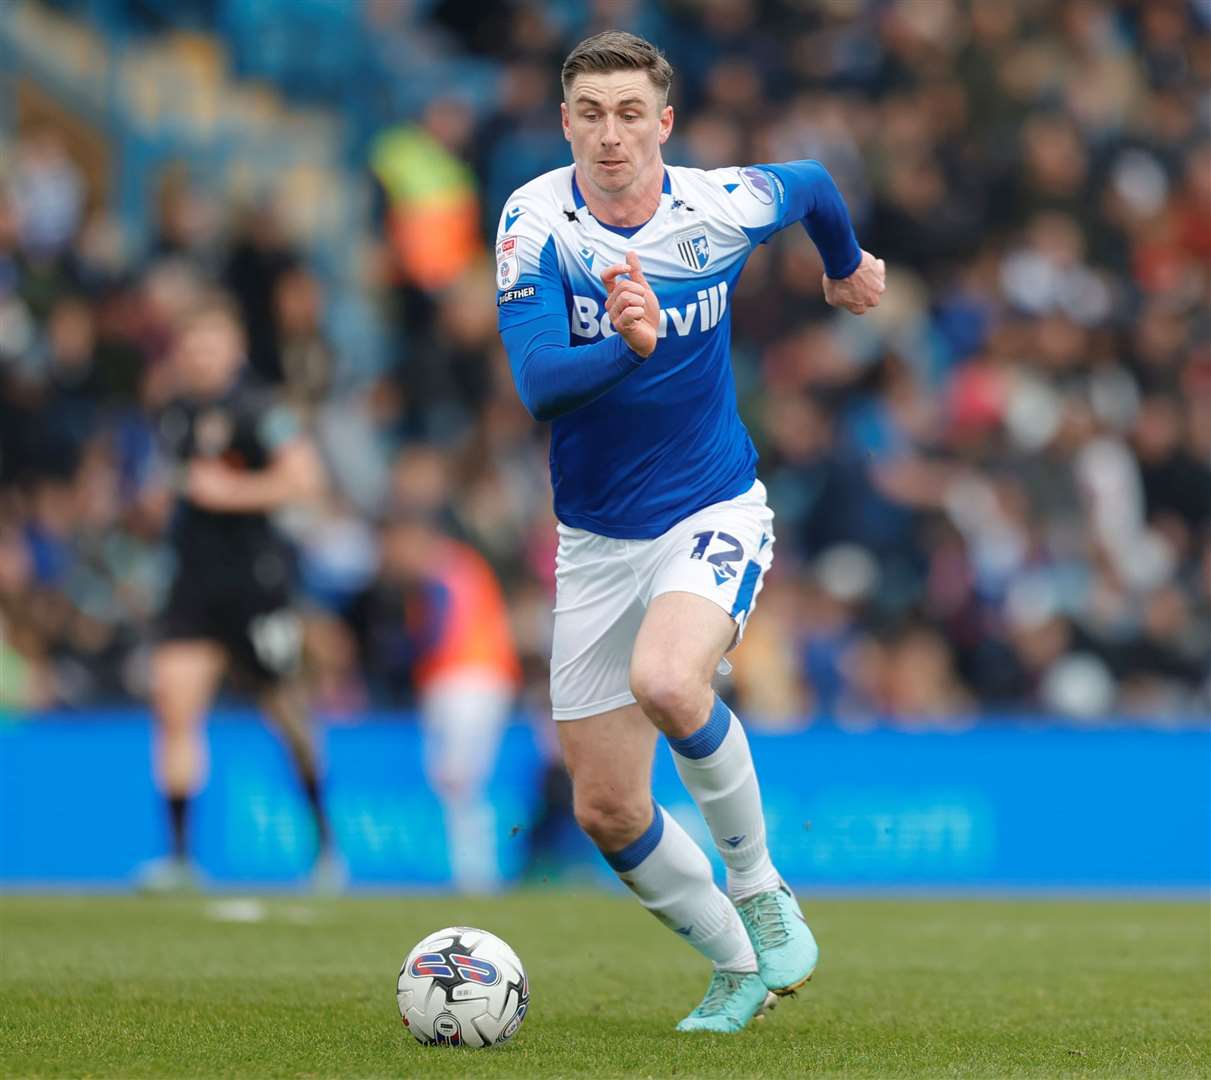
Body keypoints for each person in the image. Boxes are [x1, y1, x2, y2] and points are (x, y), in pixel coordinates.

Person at [494, 31, 885, 1032]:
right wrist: (629, 348)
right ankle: (736, 961)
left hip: (709, 507)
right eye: (589, 113)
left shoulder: (714, 205)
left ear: (664, 123)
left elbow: (806, 183)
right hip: (592, 542)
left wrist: (843, 268)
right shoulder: (536, 223)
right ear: (565, 123)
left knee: (669, 682)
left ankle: (758, 886)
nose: (610, 134)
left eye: (630, 113)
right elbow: (538, 383)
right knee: (606, 810)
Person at [141, 295, 343, 892]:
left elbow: (307, 482)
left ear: (235, 349)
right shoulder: (174, 411)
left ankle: (325, 845)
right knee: (173, 706)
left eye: (211, 344)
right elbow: (182, 485)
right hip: (192, 583)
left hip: (255, 584)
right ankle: (179, 859)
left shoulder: (261, 409)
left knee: (285, 713)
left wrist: (230, 491)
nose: (200, 357)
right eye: (191, 346)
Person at [362, 503, 522, 892]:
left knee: (457, 779)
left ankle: (474, 873)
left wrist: (397, 656)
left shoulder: (439, 570)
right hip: (485, 678)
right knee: (460, 781)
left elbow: (432, 633)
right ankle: (473, 871)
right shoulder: (461, 564)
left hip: (463, 679)